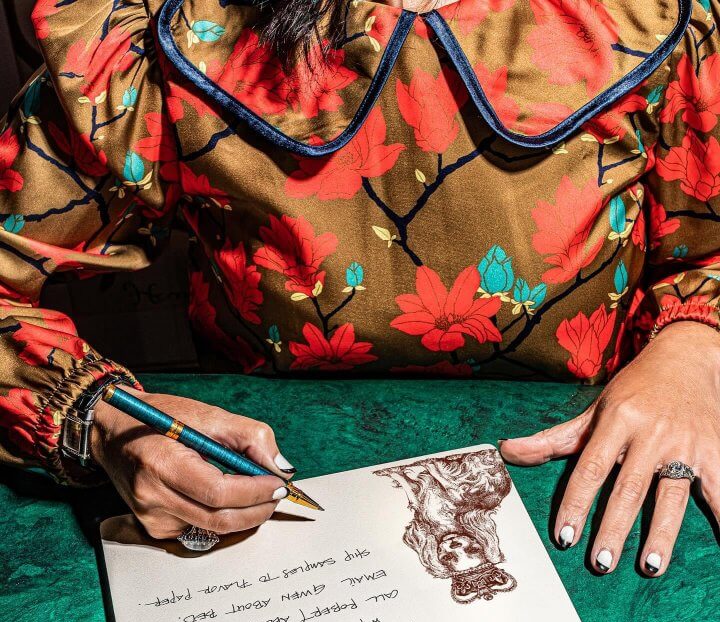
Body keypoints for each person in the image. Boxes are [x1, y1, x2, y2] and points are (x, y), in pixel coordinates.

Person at [1, 0, 719, 575]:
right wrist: (100, 419)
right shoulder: (169, 38)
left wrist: (695, 346)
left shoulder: (659, 21)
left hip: (606, 479)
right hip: (257, 522)